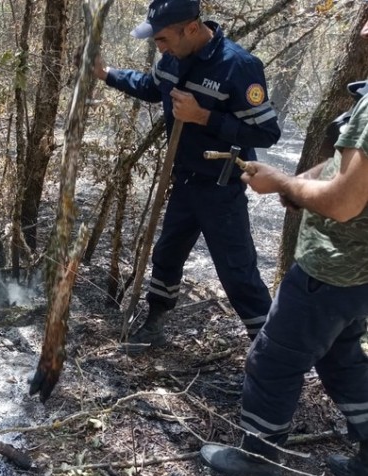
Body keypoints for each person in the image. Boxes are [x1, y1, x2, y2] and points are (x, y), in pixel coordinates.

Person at [200, 18, 368, 476]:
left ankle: (259, 458)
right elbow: (346, 171)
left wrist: (285, 184)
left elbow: (344, 201)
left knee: (271, 360)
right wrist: (290, 187)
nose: (361, 32)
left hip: (331, 267)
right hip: (358, 274)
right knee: (341, 358)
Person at [93, 0, 280, 354]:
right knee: (167, 254)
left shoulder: (239, 67)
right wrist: (108, 75)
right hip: (184, 182)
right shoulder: (173, 57)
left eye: (162, 38)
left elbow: (267, 133)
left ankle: (270, 352)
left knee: (237, 272)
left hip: (221, 187)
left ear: (190, 28)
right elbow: (152, 86)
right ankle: (155, 321)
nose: (158, 47)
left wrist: (204, 117)